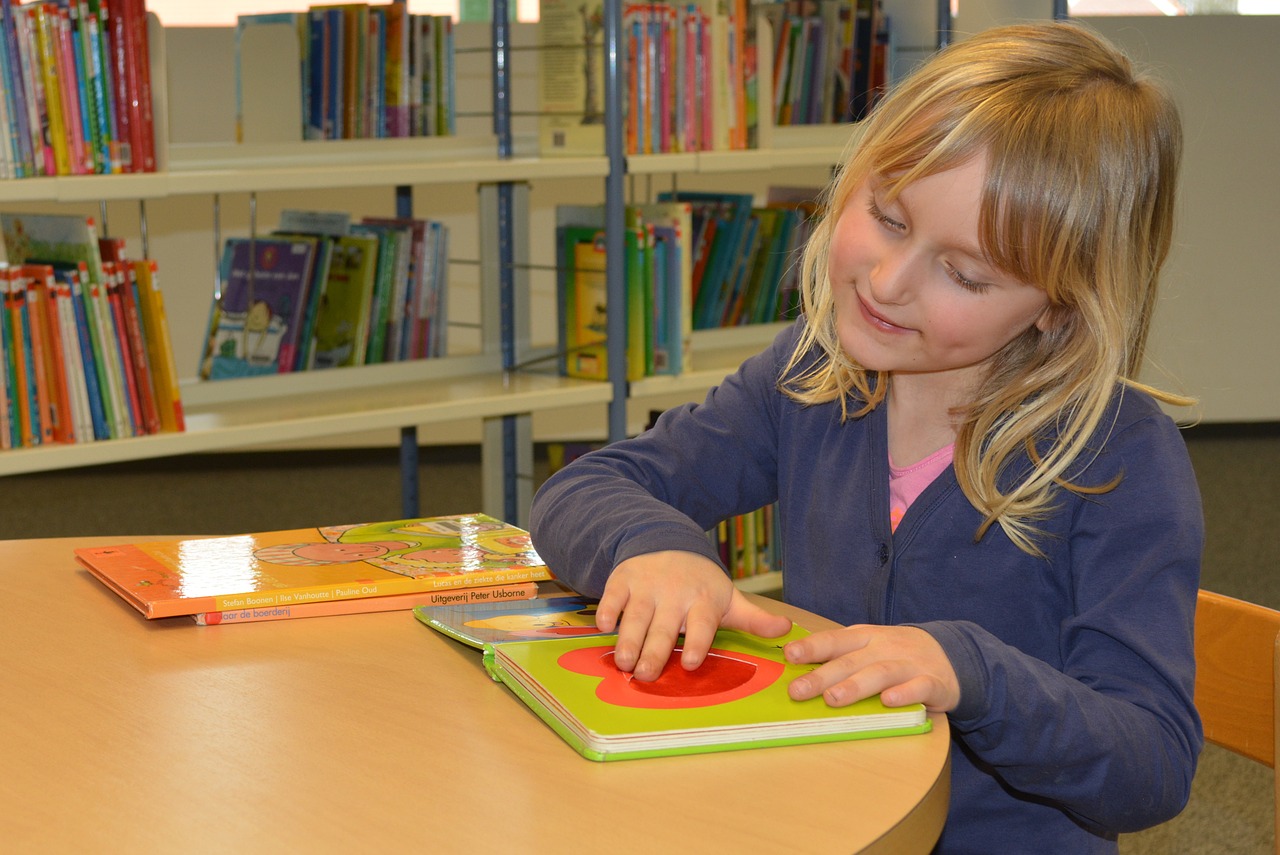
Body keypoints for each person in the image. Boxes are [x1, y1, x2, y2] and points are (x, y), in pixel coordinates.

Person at [529, 21, 1203, 853]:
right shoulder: (814, 375)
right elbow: (580, 490)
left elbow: (1154, 763)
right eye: (886, 216)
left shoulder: (1118, 457)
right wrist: (653, 547)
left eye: (964, 273)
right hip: (819, 822)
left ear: (1061, 304)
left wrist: (973, 673)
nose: (888, 283)